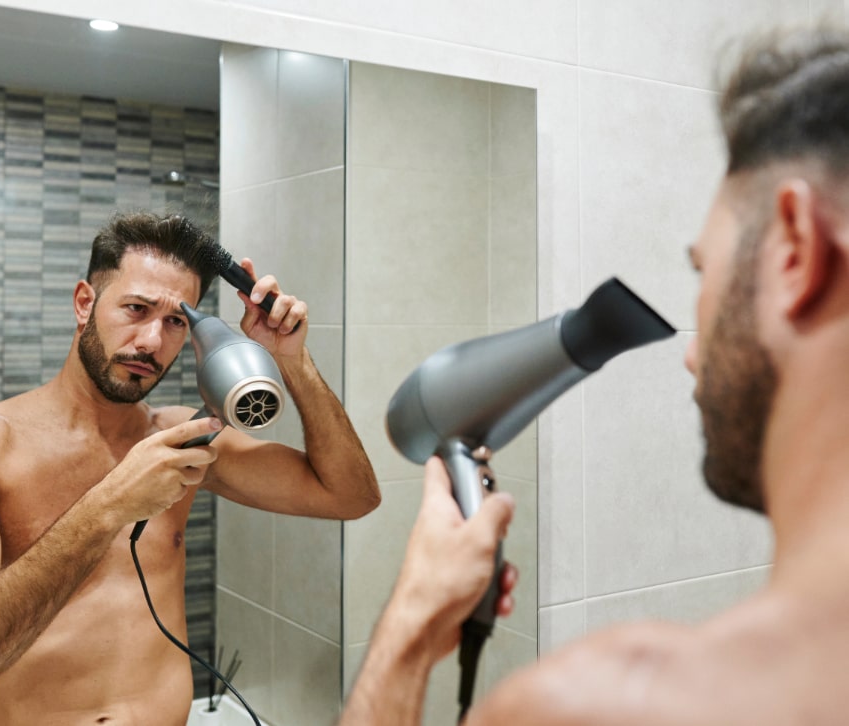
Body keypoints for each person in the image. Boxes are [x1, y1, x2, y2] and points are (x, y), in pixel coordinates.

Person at [341, 24, 849, 726]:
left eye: (705, 272)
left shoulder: (615, 703)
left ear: (794, 249)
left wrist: (409, 630)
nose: (691, 355)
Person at [0, 211, 380, 725]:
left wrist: (292, 358)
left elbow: (350, 496)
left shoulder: (181, 438)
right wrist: (110, 505)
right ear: (84, 303)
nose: (153, 342)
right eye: (136, 309)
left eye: (176, 321)